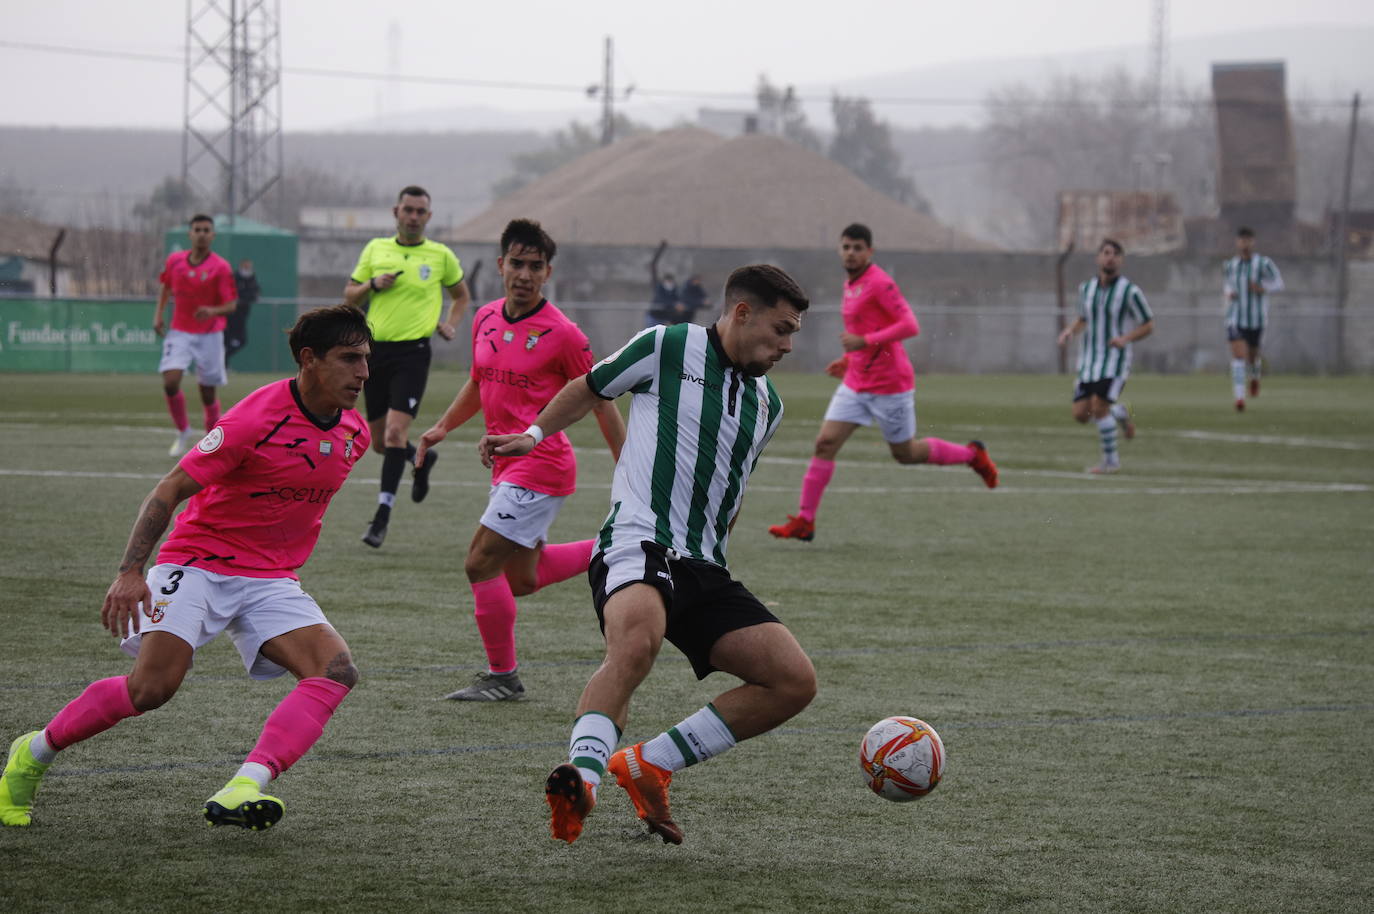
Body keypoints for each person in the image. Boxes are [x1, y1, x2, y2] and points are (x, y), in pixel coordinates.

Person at [477, 264, 817, 846]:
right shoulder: (668, 344)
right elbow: (590, 386)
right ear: (741, 313)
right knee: (637, 644)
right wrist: (532, 437)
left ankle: (650, 762)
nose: (787, 345)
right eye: (780, 330)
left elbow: (730, 487)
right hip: (638, 541)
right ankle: (581, 779)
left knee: (792, 682)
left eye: (792, 334)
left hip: (706, 566)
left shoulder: (768, 405)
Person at [1, 305, 373, 831]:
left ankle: (247, 784)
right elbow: (171, 488)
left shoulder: (356, 434)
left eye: (366, 359)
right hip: (197, 562)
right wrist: (132, 571)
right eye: (350, 359)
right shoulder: (253, 419)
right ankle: (32, 752)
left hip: (269, 579)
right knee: (151, 689)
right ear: (308, 359)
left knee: (336, 671)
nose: (363, 373)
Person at [415, 219, 626, 701]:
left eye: (535, 266)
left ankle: (502, 677)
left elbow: (600, 399)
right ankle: (613, 549)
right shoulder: (486, 316)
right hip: (506, 467)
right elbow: (477, 381)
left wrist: (626, 465)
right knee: (521, 580)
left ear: (548, 272)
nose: (525, 274)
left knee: (479, 563)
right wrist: (445, 426)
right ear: (500, 266)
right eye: (517, 263)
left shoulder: (565, 334)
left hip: (543, 463)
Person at [769, 223, 998, 543]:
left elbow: (909, 324)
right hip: (856, 382)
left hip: (890, 384)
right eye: (846, 247)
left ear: (870, 252)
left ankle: (973, 455)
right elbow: (865, 328)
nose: (851, 253)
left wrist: (864, 341)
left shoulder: (879, 282)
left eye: (857, 248)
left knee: (905, 453)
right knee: (824, 444)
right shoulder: (851, 283)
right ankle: (805, 520)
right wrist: (849, 360)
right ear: (840, 250)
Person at [343, 185, 472, 549]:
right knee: (382, 444)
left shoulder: (441, 255)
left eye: (421, 212)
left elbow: (461, 296)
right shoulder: (376, 249)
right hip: (374, 352)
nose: (414, 217)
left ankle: (381, 519)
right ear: (395, 212)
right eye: (408, 210)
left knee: (395, 436)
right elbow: (350, 294)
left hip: (414, 354)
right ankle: (423, 458)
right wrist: (372, 284)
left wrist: (452, 323)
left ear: (428, 217)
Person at [1056, 238, 1155, 474]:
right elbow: (1083, 319)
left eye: (1116, 254)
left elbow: (1149, 324)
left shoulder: (1129, 292)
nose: (1110, 257)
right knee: (1080, 414)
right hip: (1089, 362)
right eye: (1106, 252)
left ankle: (1111, 462)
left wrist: (1125, 339)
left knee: (1099, 409)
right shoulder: (1086, 289)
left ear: (1121, 260)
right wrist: (1070, 331)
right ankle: (1120, 411)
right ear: (1098, 257)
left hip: (1114, 362)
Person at [155, 214, 238, 457]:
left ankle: (212, 441)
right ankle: (183, 431)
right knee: (170, 382)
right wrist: (158, 315)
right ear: (189, 234)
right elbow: (166, 287)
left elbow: (231, 304)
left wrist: (212, 310)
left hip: (209, 335)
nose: (201, 234)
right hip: (180, 331)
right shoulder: (175, 261)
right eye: (197, 229)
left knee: (207, 391)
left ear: (212, 235)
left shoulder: (220, 267)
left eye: (206, 230)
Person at [1223, 226, 1283, 411]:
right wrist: (1229, 293)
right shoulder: (1230, 265)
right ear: (1237, 242)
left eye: (1248, 240)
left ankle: (1255, 377)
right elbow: (1226, 285)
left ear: (1253, 242)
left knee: (1252, 357)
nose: (1244, 243)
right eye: (1241, 240)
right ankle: (1240, 398)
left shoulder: (1263, 264)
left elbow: (1279, 284)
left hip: (1256, 319)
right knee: (1239, 356)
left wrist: (1262, 288)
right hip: (1235, 317)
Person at [225, 258, 260, 365]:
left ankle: (224, 358)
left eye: (249, 266)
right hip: (230, 316)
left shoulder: (251, 278)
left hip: (243, 315)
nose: (248, 269)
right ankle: (223, 363)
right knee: (226, 340)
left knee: (241, 341)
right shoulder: (234, 277)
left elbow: (255, 294)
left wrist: (245, 299)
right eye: (246, 266)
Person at [645, 240, 679, 327]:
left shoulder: (674, 290)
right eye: (668, 281)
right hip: (654, 316)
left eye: (671, 281)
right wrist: (661, 248)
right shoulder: (658, 287)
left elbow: (677, 300)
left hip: (664, 318)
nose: (669, 283)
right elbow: (653, 266)